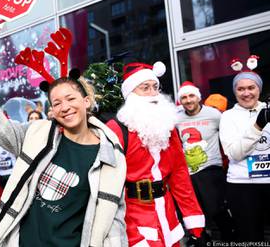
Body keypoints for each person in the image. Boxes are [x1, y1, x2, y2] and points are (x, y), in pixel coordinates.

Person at [0, 51, 127, 246]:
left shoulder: (109, 157)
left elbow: (114, 223)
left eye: (71, 98)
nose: (65, 107)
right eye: (57, 103)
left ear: (86, 102)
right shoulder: (37, 136)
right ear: (52, 110)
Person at [106, 62, 205, 247]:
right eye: (145, 88)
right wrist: (131, 234)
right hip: (135, 220)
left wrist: (194, 222)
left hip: (168, 216)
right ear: (131, 94)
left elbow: (179, 174)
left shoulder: (167, 126)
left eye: (155, 87)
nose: (153, 93)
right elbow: (111, 187)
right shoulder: (116, 129)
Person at [219, 58, 270, 241]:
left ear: (259, 89)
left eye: (251, 88)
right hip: (242, 187)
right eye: (241, 89)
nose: (246, 93)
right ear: (235, 92)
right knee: (251, 238)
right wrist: (258, 126)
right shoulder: (228, 117)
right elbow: (234, 153)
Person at [176, 81, 233, 240]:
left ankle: (230, 238)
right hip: (188, 173)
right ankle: (201, 240)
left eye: (191, 96)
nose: (188, 100)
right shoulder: (176, 118)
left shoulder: (214, 115)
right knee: (194, 212)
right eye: (184, 97)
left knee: (216, 209)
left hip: (210, 170)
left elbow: (228, 136)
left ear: (198, 97)